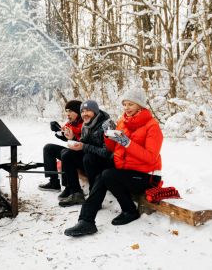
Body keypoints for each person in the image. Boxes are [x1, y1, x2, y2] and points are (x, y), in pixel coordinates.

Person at [64, 88, 163, 236]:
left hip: (146, 176)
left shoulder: (152, 126)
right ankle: (86, 221)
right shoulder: (123, 121)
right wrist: (108, 136)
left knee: (107, 175)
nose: (127, 108)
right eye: (125, 104)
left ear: (140, 106)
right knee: (102, 175)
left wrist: (127, 143)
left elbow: (150, 157)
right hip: (125, 170)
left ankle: (129, 211)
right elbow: (114, 148)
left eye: (131, 104)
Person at [58, 100, 113, 207]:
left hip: (106, 162)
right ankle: (76, 193)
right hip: (91, 158)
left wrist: (84, 146)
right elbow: (84, 143)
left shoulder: (108, 125)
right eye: (82, 111)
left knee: (88, 158)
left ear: (95, 111)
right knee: (67, 154)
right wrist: (73, 139)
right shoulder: (85, 124)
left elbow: (107, 152)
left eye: (88, 111)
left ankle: (95, 198)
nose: (84, 114)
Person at [38, 100, 83, 193]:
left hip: (83, 156)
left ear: (78, 112)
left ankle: (68, 187)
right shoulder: (70, 123)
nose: (67, 114)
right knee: (48, 148)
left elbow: (84, 143)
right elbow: (64, 135)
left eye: (70, 111)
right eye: (66, 111)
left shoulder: (85, 124)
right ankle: (53, 182)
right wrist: (57, 130)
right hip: (73, 152)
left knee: (65, 153)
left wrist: (73, 137)